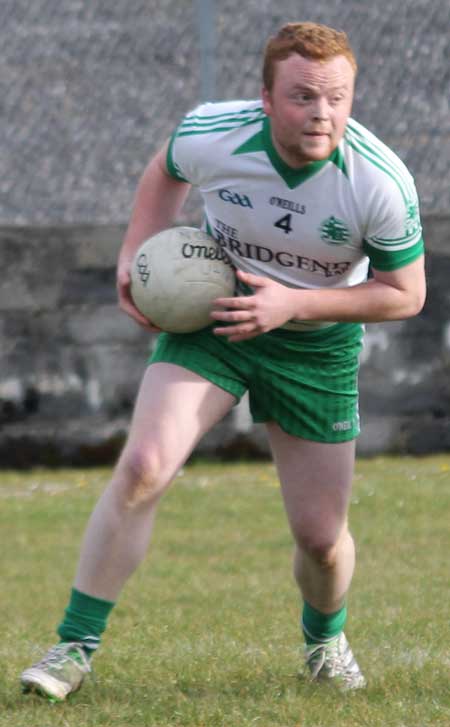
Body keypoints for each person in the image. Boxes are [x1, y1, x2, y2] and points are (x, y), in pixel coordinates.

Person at [21, 21, 425, 700]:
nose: (321, 113)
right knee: (145, 465)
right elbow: (165, 171)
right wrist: (134, 253)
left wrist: (294, 305)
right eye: (302, 96)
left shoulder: (379, 183)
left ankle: (326, 639)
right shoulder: (215, 132)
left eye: (337, 97)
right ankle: (72, 647)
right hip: (215, 314)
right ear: (265, 98)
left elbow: (404, 293)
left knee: (322, 538)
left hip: (315, 343)